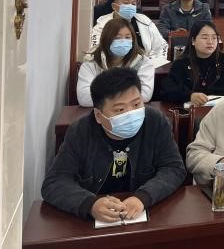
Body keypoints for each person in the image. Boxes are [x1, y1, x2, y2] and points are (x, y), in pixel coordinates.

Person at [41, 67, 185, 221]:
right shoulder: (80, 132)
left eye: (136, 104)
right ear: (98, 115)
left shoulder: (156, 122)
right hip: (93, 222)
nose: (130, 113)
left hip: (143, 215)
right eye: (120, 109)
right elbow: (55, 182)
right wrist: (90, 204)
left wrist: (143, 197)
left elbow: (173, 168)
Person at [159, 21, 224, 106]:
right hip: (192, 113)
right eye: (205, 37)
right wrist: (189, 96)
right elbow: (168, 90)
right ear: (193, 41)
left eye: (214, 38)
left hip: (220, 111)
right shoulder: (181, 64)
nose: (210, 42)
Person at [77, 18, 155, 106]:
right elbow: (84, 98)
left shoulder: (144, 62)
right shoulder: (91, 63)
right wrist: (128, 95)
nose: (123, 41)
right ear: (106, 39)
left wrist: (104, 96)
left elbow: (144, 95)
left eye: (127, 37)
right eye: (117, 38)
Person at [91, 0, 168, 59]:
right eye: (126, 3)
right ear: (114, 6)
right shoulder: (102, 25)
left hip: (144, 64)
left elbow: (162, 45)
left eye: (133, 4)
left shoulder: (145, 21)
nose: (130, 6)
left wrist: (152, 62)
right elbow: (94, 49)